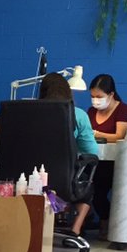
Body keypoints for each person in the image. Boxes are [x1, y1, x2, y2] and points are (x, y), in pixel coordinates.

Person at [39, 72, 98, 237]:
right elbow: (92, 152)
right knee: (86, 184)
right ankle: (75, 229)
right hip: (64, 179)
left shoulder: (29, 113)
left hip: (33, 180)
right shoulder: (78, 115)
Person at [87, 74, 127, 238]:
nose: (95, 100)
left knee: (100, 192)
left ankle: (106, 222)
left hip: (114, 162)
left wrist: (96, 134)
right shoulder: (91, 111)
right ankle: (91, 218)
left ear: (111, 94)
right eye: (92, 96)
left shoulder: (123, 109)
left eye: (99, 96)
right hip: (93, 160)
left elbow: (119, 135)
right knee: (86, 187)